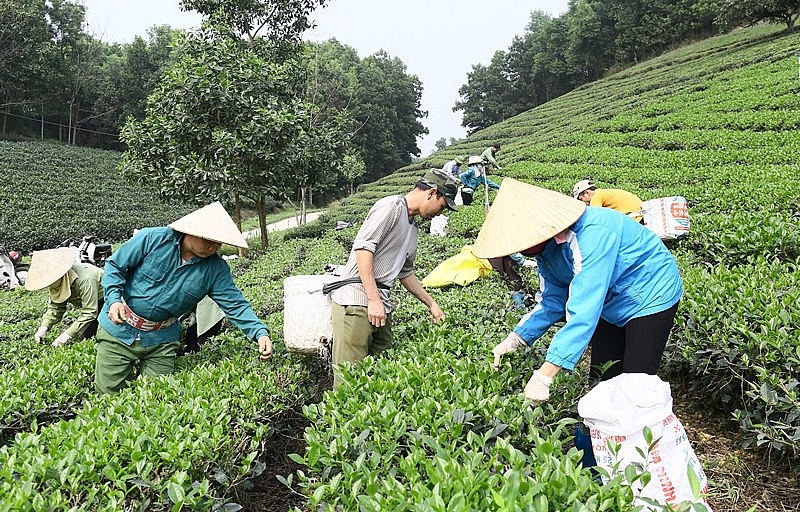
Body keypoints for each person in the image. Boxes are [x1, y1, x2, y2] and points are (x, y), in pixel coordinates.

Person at [473, 178, 682, 404]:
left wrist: (545, 375)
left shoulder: (592, 233)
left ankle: (640, 433)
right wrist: (517, 338)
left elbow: (584, 306)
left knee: (635, 381)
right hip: (610, 300)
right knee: (602, 377)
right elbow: (552, 301)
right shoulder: (545, 249)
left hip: (650, 293)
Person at [95, 202, 273, 394]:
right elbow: (115, 266)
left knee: (155, 399)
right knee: (107, 395)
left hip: (161, 341)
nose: (214, 247)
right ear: (192, 231)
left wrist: (259, 332)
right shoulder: (152, 238)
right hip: (119, 331)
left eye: (219, 243)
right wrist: (113, 300)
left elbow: (235, 305)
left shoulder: (216, 269)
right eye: (209, 240)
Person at [327, 169, 459, 385]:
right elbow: (363, 249)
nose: (440, 213)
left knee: (380, 378)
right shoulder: (391, 207)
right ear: (432, 193)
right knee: (349, 382)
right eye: (442, 206)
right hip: (357, 303)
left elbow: (405, 273)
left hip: (381, 306)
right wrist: (373, 299)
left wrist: (431, 304)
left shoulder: (413, 228)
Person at [25, 246, 104, 347]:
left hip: (107, 301)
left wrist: (67, 335)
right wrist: (44, 327)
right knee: (83, 335)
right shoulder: (59, 282)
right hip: (92, 304)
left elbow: (89, 312)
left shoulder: (86, 279)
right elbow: (56, 306)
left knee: (95, 337)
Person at [572, 179, 644, 223]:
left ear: (586, 193)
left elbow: (595, 217)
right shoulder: (602, 193)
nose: (584, 203)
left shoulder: (596, 197)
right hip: (640, 214)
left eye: (581, 199)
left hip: (634, 218)